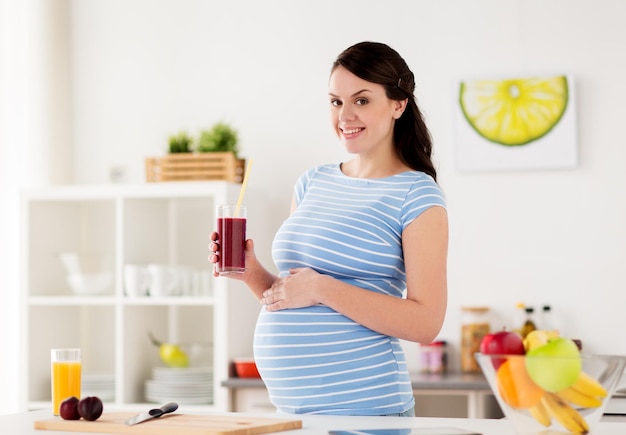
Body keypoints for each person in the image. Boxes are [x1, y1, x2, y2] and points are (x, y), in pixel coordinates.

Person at [209, 41, 448, 417]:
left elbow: (426, 323)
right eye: (336, 102)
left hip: (366, 414)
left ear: (398, 104)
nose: (345, 115)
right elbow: (294, 295)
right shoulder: (312, 182)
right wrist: (250, 271)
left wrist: (323, 287)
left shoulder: (416, 194)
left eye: (362, 100)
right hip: (293, 415)